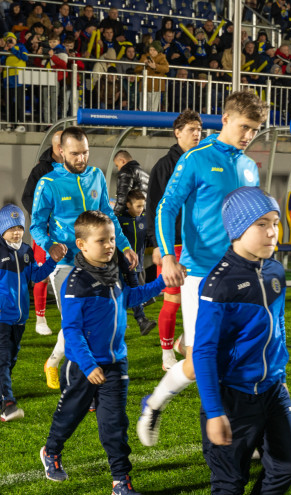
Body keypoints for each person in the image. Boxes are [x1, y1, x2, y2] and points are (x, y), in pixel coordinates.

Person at [136, 91, 268, 448]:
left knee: (244, 355)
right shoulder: (195, 159)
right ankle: (153, 404)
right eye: (244, 127)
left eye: (254, 131)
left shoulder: (249, 166)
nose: (247, 136)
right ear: (224, 120)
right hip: (201, 274)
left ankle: (243, 432)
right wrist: (166, 257)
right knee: (198, 366)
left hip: (242, 274)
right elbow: (165, 208)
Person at [196, 187, 291, 495]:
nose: (272, 232)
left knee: (289, 467)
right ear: (238, 229)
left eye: (274, 223)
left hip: (273, 387)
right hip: (231, 396)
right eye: (261, 225)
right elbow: (204, 352)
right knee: (229, 480)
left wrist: (281, 366)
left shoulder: (274, 270)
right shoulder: (218, 284)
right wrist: (214, 410)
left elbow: (279, 326)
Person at [38, 210, 165, 495]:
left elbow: (129, 298)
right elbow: (72, 332)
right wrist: (89, 364)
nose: (110, 245)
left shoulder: (114, 274)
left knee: (114, 424)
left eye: (111, 239)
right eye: (102, 241)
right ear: (81, 245)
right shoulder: (76, 284)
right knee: (71, 415)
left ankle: (121, 481)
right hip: (84, 367)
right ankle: (51, 451)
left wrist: (162, 283)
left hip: (115, 363)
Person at [29, 126, 138, 389]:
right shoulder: (48, 183)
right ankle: (79, 382)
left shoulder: (97, 176)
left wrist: (124, 246)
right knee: (75, 326)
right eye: (75, 153)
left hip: (99, 262)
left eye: (85, 153)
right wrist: (49, 244)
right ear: (61, 152)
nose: (81, 159)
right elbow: (35, 225)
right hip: (66, 264)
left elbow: (108, 216)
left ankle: (54, 363)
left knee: (95, 322)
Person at [0, 205, 61, 422]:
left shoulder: (26, 251)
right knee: (1, 359)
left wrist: (53, 261)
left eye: (20, 227)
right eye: (12, 228)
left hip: (20, 318)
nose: (17, 232)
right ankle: (7, 404)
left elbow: (36, 276)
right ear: (2, 229)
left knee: (11, 358)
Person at [146, 109, 203, 370]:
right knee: (172, 300)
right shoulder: (164, 166)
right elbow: (155, 207)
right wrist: (157, 244)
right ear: (177, 132)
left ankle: (184, 343)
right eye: (191, 129)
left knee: (205, 300)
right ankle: (166, 352)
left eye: (199, 130)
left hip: (198, 246)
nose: (197, 134)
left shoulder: (202, 161)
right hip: (173, 245)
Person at [22, 130, 63, 337]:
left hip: (67, 233)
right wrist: (44, 218)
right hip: (45, 233)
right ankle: (40, 318)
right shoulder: (41, 170)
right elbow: (27, 197)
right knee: (43, 274)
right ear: (57, 147)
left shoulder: (74, 168)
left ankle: (71, 318)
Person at [117, 189, 156, 336]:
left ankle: (121, 321)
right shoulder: (119, 221)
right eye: (138, 206)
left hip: (139, 265)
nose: (141, 209)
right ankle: (142, 321)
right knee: (133, 290)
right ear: (128, 205)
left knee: (129, 293)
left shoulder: (144, 219)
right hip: (124, 265)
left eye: (142, 206)